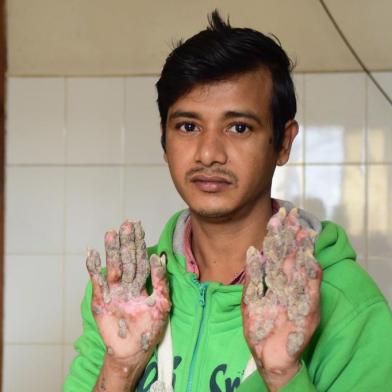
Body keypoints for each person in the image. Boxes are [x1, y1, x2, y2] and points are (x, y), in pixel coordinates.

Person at [64, 10, 392, 392]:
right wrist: (120, 367)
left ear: (283, 142)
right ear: (164, 140)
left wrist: (283, 375)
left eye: (239, 127)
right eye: (188, 126)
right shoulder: (130, 294)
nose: (208, 153)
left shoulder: (346, 303)